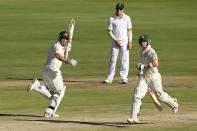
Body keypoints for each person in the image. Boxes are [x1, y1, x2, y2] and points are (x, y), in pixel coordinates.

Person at [127, 34, 179, 123]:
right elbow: (144, 66)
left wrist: (143, 66)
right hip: (144, 78)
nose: (143, 43)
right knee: (137, 95)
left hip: (154, 77)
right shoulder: (142, 52)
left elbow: (156, 63)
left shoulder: (151, 51)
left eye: (144, 42)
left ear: (147, 42)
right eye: (141, 42)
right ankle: (134, 117)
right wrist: (140, 71)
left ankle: (174, 103)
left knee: (160, 96)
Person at [27, 31, 77, 118]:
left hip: (46, 71)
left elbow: (61, 50)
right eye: (63, 39)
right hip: (53, 71)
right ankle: (49, 111)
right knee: (60, 91)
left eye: (66, 39)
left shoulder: (61, 46)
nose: (65, 40)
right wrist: (68, 61)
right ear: (60, 39)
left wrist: (66, 48)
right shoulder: (57, 46)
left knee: (52, 94)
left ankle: (38, 87)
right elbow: (58, 55)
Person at [104, 2, 132, 84]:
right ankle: (110, 77)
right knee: (112, 60)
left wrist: (130, 41)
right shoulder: (112, 18)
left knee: (125, 59)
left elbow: (129, 30)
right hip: (115, 41)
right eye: (117, 9)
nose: (119, 11)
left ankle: (124, 77)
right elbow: (110, 31)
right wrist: (116, 40)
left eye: (120, 9)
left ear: (123, 10)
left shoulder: (127, 18)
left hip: (124, 41)